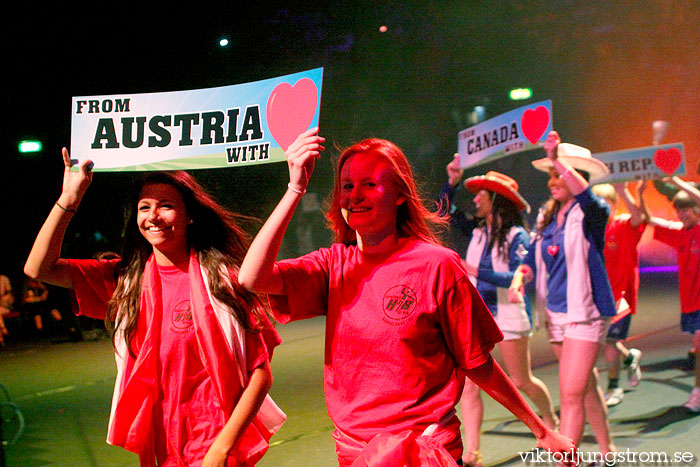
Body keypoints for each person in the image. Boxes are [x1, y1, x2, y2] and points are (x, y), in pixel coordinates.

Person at [238, 128, 574, 466]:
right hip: (356, 454)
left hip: (423, 450)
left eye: (369, 184)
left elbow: (478, 363)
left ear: (400, 194)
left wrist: (541, 430)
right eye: (347, 186)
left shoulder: (438, 265)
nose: (354, 196)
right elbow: (252, 278)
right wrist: (295, 188)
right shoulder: (334, 265)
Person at [24, 149, 285, 466]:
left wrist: (222, 447)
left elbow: (260, 374)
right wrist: (69, 199)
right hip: (160, 444)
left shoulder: (224, 279)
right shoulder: (124, 279)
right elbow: (38, 268)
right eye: (144, 207)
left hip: (213, 440)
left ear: (189, 215)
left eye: (167, 206)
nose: (153, 216)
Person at [444, 156, 558, 466]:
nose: (476, 197)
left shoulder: (516, 236)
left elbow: (519, 274)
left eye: (482, 193)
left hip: (508, 314)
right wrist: (451, 183)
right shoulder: (478, 230)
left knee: (521, 380)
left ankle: (549, 422)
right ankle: (473, 453)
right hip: (476, 316)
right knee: (468, 386)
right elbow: (445, 213)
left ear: (497, 200)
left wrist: (475, 271)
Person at [509, 131, 617, 459]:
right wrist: (519, 279)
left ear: (576, 177)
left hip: (585, 313)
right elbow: (531, 261)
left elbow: (591, 201)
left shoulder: (591, 214)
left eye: (558, 174)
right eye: (551, 175)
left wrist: (556, 158)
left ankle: (565, 463)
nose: (552, 180)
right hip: (555, 313)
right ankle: (607, 448)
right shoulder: (544, 217)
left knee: (570, 395)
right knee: (584, 388)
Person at [641, 175, 700, 412]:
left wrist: (676, 182)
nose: (682, 213)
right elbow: (647, 219)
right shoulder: (679, 232)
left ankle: (696, 394)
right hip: (690, 304)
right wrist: (638, 192)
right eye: (679, 209)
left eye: (688, 208)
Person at [590, 182, 647, 407]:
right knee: (604, 341)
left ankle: (614, 387)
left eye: (607, 204)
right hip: (598, 295)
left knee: (611, 341)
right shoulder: (592, 231)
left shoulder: (623, 225)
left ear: (614, 205)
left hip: (621, 295)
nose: (602, 208)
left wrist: (623, 190)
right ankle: (630, 357)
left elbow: (638, 217)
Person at [0, 274, 15, 345]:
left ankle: (2, 337)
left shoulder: (3, 278)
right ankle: (3, 330)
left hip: (5, 306)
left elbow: (9, 294)